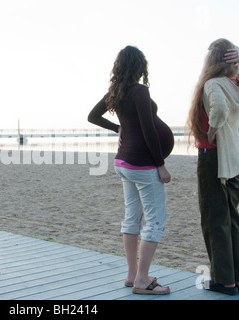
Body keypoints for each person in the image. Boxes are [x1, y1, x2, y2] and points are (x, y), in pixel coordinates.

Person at [88, 45, 174, 295]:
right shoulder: (139, 91)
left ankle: (132, 275)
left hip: (123, 163)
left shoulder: (116, 91)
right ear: (140, 66)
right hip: (143, 164)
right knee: (155, 220)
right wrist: (161, 165)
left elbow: (92, 116)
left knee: (132, 218)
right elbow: (148, 130)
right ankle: (143, 280)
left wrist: (118, 129)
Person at [187, 38, 239, 295]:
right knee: (232, 218)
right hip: (234, 159)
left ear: (210, 61)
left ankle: (224, 281)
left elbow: (220, 109)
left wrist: (212, 130)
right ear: (232, 61)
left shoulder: (212, 83)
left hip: (213, 157)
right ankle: (238, 280)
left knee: (215, 219)